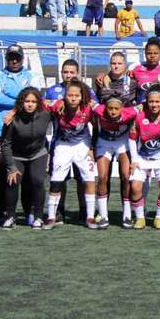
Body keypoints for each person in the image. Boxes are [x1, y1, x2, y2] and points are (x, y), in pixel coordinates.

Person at [0, 44, 45, 225]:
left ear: (22, 58)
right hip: (2, 130)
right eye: (11, 57)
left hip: (27, 129)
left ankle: (29, 211)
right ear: (6, 58)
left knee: (30, 178)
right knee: (1, 175)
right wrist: (21, 101)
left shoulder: (32, 75)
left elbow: (35, 97)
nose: (14, 61)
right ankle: (1, 212)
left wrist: (16, 102)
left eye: (17, 58)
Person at [43, 81, 98, 229]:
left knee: (89, 178)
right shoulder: (57, 105)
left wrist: (92, 148)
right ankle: (51, 217)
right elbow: (35, 101)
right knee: (56, 180)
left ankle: (90, 217)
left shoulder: (89, 107)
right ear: (64, 96)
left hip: (82, 144)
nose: (73, 98)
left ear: (82, 97)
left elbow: (98, 126)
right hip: (63, 144)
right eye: (69, 95)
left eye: (76, 96)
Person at [0, 87, 52, 229]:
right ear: (21, 102)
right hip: (17, 155)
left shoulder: (46, 114)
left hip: (38, 153)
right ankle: (10, 216)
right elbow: (5, 144)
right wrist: (11, 167)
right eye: (27, 101)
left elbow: (60, 106)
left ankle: (38, 217)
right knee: (13, 181)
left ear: (38, 103)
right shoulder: (11, 119)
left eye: (33, 102)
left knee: (38, 181)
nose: (30, 104)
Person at [127, 86, 160, 230]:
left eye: (157, 102)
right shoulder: (139, 117)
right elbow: (131, 139)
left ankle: (158, 218)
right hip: (142, 158)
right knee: (135, 187)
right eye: (151, 101)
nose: (154, 105)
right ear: (146, 102)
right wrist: (134, 159)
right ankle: (140, 218)